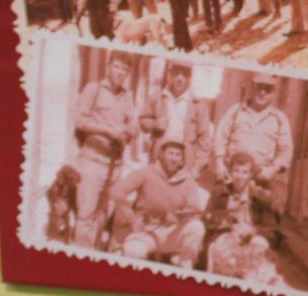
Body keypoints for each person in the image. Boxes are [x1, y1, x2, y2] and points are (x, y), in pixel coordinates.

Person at [214, 73, 294, 246]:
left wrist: (272, 169)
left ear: (274, 92)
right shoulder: (235, 111)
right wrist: (219, 163)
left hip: (260, 177)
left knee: (263, 228)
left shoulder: (279, 118)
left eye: (268, 89)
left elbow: (286, 150)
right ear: (252, 87)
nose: (262, 92)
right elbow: (221, 137)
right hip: (233, 174)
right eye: (259, 87)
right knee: (219, 219)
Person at [109, 138, 207, 268]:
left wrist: (178, 216)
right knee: (133, 251)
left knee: (197, 227)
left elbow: (194, 208)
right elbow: (116, 191)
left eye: (178, 155)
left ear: (182, 160)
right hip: (146, 233)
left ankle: (185, 268)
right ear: (161, 155)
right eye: (170, 153)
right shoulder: (146, 172)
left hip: (171, 233)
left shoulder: (188, 180)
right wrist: (132, 218)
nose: (174, 158)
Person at [72, 50, 136, 249]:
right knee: (86, 214)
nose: (120, 72)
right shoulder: (94, 89)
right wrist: (106, 130)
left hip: (115, 165)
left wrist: (129, 132)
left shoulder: (127, 96)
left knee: (104, 214)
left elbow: (133, 125)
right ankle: (82, 254)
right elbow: (79, 121)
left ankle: (95, 253)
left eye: (124, 69)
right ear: (109, 66)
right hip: (92, 161)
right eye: (116, 67)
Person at [138, 61, 213, 181]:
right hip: (158, 160)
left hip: (184, 164)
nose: (180, 78)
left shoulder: (198, 104)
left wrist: (196, 169)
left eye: (184, 75)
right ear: (170, 74)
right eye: (176, 73)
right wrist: (155, 124)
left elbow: (204, 140)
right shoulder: (157, 97)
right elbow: (143, 121)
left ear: (190, 78)